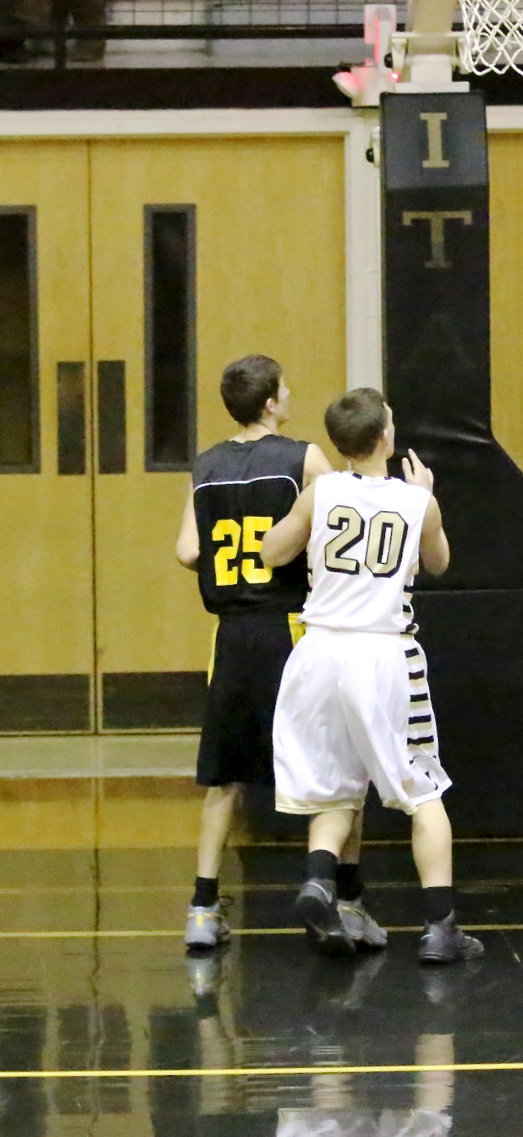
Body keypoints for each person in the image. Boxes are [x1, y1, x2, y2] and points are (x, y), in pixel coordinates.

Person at [261, 387, 482, 965]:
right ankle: (440, 927)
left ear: (339, 443)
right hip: (383, 653)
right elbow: (439, 562)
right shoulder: (416, 503)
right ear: (386, 437)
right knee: (422, 790)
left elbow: (272, 552)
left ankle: (320, 881)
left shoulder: (321, 492)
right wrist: (427, 500)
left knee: (335, 783)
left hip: (319, 650)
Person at [175, 354, 339, 953]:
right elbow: (335, 525)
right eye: (284, 387)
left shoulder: (206, 466)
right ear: (270, 402)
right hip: (289, 628)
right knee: (324, 767)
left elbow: (187, 551)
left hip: (231, 633)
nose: (290, 393)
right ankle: (336, 895)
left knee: (224, 778)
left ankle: (202, 907)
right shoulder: (304, 459)